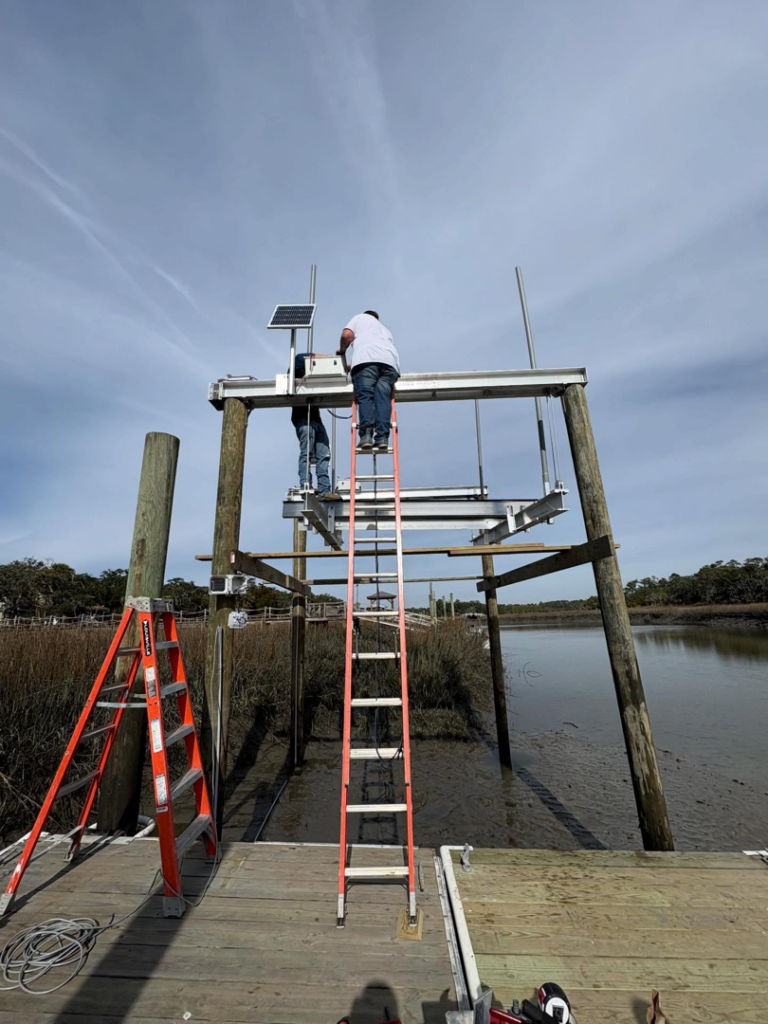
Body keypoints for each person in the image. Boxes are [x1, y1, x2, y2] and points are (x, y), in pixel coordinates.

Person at [337, 311, 400, 452]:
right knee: (382, 398)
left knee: (366, 396)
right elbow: (377, 352)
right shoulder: (385, 330)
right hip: (390, 365)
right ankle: (382, 437)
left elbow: (346, 335)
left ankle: (366, 435)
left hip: (366, 362)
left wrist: (342, 351)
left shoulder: (360, 318)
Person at [291, 353, 339, 499]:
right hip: (303, 419)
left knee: (323, 454)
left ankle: (325, 490)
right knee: (307, 453)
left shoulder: (313, 380)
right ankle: (305, 485)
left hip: (316, 420)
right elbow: (302, 358)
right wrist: (330, 358)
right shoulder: (295, 372)